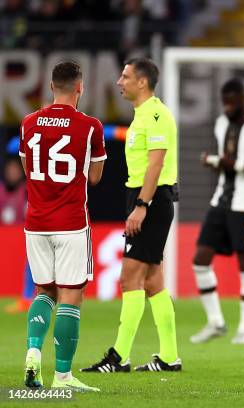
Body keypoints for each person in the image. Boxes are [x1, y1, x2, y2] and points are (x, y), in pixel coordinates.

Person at [82, 58, 180, 373]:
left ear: (142, 82)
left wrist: (141, 205)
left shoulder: (155, 115)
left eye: (125, 76)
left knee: (130, 279)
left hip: (150, 200)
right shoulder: (142, 116)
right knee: (152, 281)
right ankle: (169, 357)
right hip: (146, 198)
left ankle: (119, 357)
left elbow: (155, 165)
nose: (119, 82)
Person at [19, 60, 106, 391]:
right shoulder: (90, 127)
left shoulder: (28, 123)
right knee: (71, 295)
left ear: (51, 86)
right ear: (80, 87)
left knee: (44, 291)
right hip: (70, 222)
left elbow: (29, 169)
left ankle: (32, 351)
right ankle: (63, 376)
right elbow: (94, 177)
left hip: (35, 221)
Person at [191, 79, 244, 345]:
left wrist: (235, 164)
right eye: (224, 101)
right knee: (200, 260)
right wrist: (214, 162)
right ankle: (216, 322)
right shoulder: (220, 123)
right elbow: (226, 162)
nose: (227, 106)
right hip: (221, 201)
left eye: (232, 101)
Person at [0, 156, 34, 314]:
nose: (12, 173)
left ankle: (28, 298)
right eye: (9, 170)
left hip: (28, 233)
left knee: (34, 259)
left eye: (15, 170)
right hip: (7, 238)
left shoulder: (28, 189)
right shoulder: (1, 190)